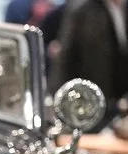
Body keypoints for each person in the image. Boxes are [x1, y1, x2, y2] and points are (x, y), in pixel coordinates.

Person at [55, 0, 128, 129]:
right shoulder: (83, 10)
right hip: (93, 100)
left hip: (121, 101)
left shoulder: (123, 8)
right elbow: (65, 60)